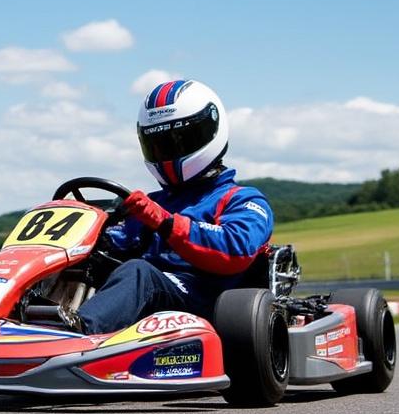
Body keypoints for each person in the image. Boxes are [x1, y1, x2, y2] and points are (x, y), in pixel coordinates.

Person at [75, 79, 275, 334]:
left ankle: (76, 333)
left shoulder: (242, 199)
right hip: (150, 303)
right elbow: (118, 243)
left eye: (179, 141)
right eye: (158, 144)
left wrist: (166, 222)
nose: (167, 152)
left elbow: (235, 248)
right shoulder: (151, 203)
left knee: (139, 273)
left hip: (206, 302)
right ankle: (22, 323)